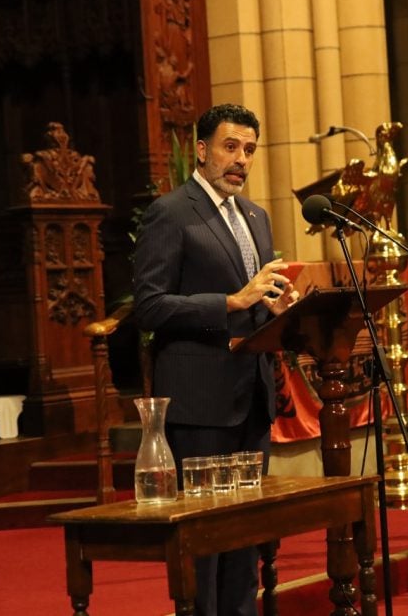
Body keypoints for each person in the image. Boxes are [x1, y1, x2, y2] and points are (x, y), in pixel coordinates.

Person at [132, 103, 298, 615]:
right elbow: (149, 306)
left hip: (250, 395)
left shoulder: (256, 216)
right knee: (203, 547)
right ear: (201, 151)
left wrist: (277, 308)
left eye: (249, 150)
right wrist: (231, 302)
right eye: (230, 147)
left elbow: (254, 301)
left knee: (243, 541)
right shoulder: (172, 212)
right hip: (199, 402)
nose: (241, 160)